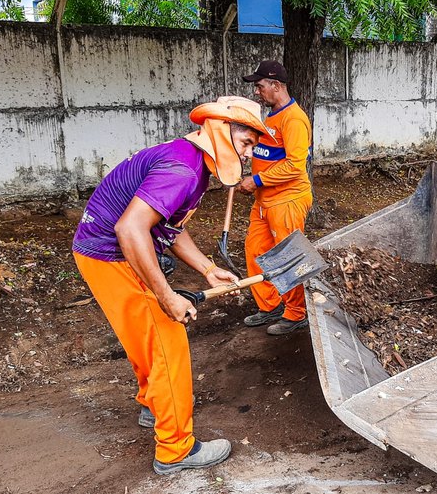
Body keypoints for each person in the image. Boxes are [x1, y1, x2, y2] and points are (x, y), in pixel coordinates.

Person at [72, 97, 272, 475]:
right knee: (167, 344)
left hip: (98, 252)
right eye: (246, 144)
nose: (247, 156)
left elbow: (166, 226)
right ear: (222, 131)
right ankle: (176, 448)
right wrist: (167, 295)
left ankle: (153, 404)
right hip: (113, 256)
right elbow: (131, 229)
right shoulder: (182, 169)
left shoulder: (188, 160)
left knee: (146, 339)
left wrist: (208, 269)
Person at [237, 60, 313, 336]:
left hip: (287, 200)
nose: (257, 91)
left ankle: (296, 313)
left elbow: (295, 165)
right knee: (256, 251)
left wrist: (256, 180)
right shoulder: (270, 117)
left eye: (260, 86)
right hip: (265, 200)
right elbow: (266, 154)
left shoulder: (293, 120)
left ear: (276, 86)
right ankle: (270, 306)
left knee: (287, 257)